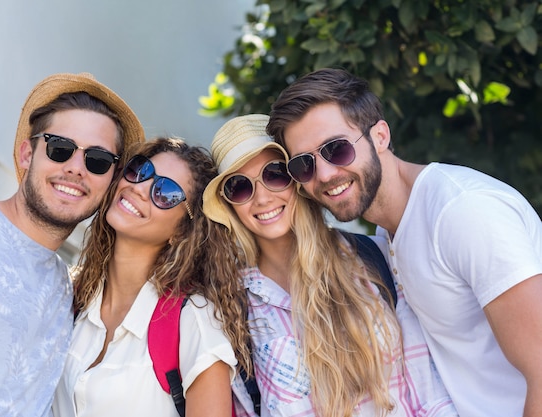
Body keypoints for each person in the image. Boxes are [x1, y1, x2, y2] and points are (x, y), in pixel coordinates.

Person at [266, 67, 542, 417]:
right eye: (304, 164)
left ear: (380, 136)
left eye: (336, 149)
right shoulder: (389, 232)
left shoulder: (461, 213)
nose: (324, 174)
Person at [0, 72, 144, 416]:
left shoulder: (69, 291)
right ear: (27, 154)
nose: (76, 168)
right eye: (60, 148)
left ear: (111, 179)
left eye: (97, 160)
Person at [202, 114, 456, 417]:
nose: (262, 198)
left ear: (298, 179)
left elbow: (430, 392)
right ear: (229, 203)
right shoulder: (231, 306)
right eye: (239, 187)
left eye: (275, 174)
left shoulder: (370, 256)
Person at [52, 137, 252, 417]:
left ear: (182, 231)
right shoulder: (74, 299)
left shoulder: (194, 318)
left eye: (165, 192)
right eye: (140, 170)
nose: (140, 188)